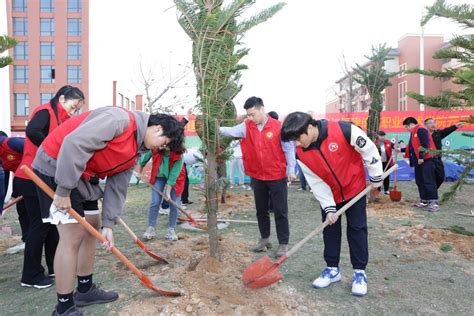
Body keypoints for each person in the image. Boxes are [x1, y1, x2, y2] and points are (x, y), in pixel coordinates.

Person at [32, 106, 184, 316]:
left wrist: (109, 225)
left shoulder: (137, 147)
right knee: (72, 236)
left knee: (93, 226)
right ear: (157, 129)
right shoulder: (118, 120)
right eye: (164, 143)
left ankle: (85, 289)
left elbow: (117, 186)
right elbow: (73, 144)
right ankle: (64, 306)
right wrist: (64, 189)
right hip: (56, 165)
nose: (160, 149)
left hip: (84, 174)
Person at [281, 112, 383, 297]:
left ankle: (359, 273)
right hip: (331, 194)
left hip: (355, 188)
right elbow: (316, 182)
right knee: (330, 229)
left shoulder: (343, 130)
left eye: (298, 138)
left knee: (357, 229)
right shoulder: (301, 154)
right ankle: (332, 269)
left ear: (310, 128)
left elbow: (368, 149)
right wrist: (328, 207)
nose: (296, 143)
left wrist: (376, 175)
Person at [15, 86, 85, 290]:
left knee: (53, 222)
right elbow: (32, 131)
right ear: (61, 99)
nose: (73, 112)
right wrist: (53, 148)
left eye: (76, 110)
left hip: (43, 177)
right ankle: (31, 275)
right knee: (40, 226)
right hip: (30, 176)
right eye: (72, 107)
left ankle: (54, 266)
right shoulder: (45, 111)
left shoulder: (63, 119)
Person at [220, 97, 296, 257]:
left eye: (252, 114)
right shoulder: (247, 126)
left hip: (276, 175)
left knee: (280, 210)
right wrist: (215, 128)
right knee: (261, 210)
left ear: (262, 109)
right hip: (257, 175)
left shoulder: (278, 127)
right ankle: (264, 239)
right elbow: (231, 131)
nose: (250, 118)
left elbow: (289, 149)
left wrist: (291, 169)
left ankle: (283, 244)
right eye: (248, 115)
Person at [138, 146, 186, 241]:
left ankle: (171, 230)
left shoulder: (179, 154)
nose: (164, 145)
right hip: (159, 177)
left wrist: (167, 192)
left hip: (176, 178)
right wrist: (139, 173)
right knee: (155, 202)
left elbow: (174, 175)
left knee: (174, 204)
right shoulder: (155, 148)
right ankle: (151, 228)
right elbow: (143, 160)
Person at [403, 117, 439, 212]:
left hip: (428, 159)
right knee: (420, 180)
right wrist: (401, 150)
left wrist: (421, 157)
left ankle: (433, 202)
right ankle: (424, 200)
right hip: (419, 161)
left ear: (410, 124)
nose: (406, 129)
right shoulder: (413, 132)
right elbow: (411, 146)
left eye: (406, 127)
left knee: (428, 179)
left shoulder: (421, 129)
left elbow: (425, 144)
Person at [0, 131, 27, 253]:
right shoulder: (1, 157)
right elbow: (4, 182)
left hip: (35, 176)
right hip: (21, 179)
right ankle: (27, 239)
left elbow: (36, 150)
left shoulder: (11, 142)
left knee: (33, 212)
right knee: (22, 210)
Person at [424, 118, 464, 188]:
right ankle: (430, 194)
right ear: (425, 125)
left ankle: (432, 191)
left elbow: (447, 131)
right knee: (428, 178)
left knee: (441, 177)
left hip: (437, 159)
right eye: (430, 123)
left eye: (434, 122)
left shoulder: (438, 133)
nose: (433, 124)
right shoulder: (423, 135)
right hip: (427, 160)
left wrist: (455, 126)